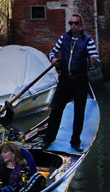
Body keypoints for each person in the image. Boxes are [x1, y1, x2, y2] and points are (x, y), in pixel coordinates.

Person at [42, 13, 100, 151]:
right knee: (56, 109)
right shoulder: (64, 38)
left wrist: (92, 61)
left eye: (76, 23)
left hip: (80, 79)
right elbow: (52, 52)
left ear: (81, 25)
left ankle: (75, 141)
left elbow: (97, 60)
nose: (73, 26)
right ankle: (48, 139)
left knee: (79, 112)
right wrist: (53, 60)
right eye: (71, 23)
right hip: (65, 79)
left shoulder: (88, 41)